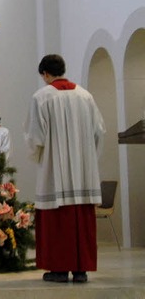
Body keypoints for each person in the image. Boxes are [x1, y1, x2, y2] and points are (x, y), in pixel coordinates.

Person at [24, 54, 105, 284]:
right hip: (83, 172)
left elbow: (35, 138)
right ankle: (81, 270)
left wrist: (40, 158)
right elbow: (99, 131)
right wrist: (87, 159)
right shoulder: (85, 96)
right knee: (81, 220)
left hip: (54, 171)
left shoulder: (41, 98)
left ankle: (59, 269)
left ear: (45, 74)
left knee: (57, 221)